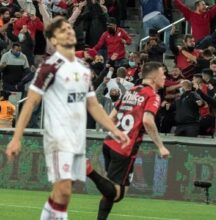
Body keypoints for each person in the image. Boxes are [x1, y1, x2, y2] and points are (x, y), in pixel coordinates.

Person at [5, 16, 129, 220]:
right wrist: (17, 137)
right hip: (57, 137)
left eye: (69, 28)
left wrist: (114, 130)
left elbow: (93, 105)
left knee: (62, 195)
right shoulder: (50, 67)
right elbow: (30, 102)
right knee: (63, 191)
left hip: (76, 139)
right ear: (54, 41)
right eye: (63, 30)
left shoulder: (82, 68)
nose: (69, 32)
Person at [86, 61, 170, 220]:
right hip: (125, 147)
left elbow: (110, 118)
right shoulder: (152, 95)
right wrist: (161, 146)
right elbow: (147, 121)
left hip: (109, 143)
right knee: (117, 194)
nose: (165, 77)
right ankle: (89, 170)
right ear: (153, 78)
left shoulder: (130, 91)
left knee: (109, 191)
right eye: (162, 74)